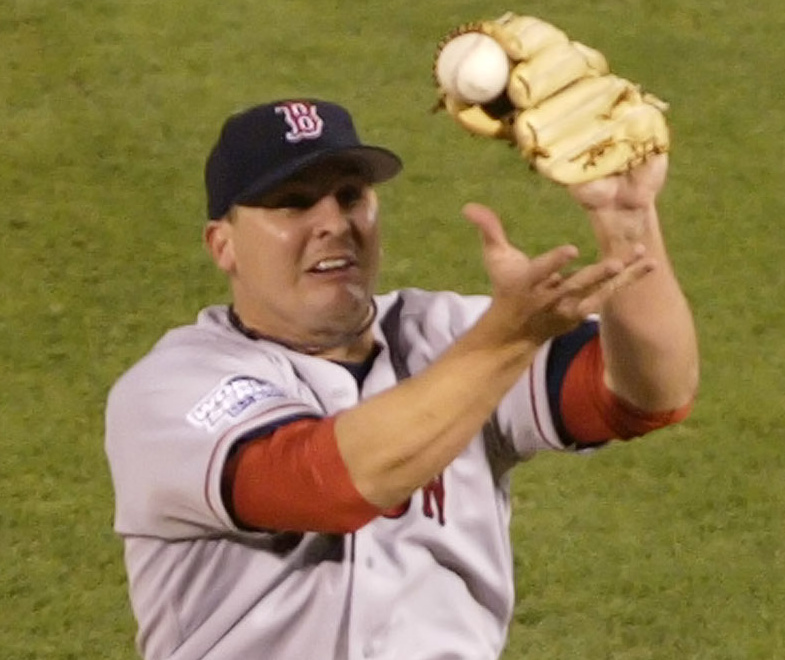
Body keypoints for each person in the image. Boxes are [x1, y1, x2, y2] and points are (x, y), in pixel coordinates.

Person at [105, 98, 699, 660]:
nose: (332, 223)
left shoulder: (447, 334)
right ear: (223, 245)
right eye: (292, 203)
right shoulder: (171, 390)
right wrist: (508, 340)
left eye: (349, 196)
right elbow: (321, 483)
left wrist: (629, 223)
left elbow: (647, 395)